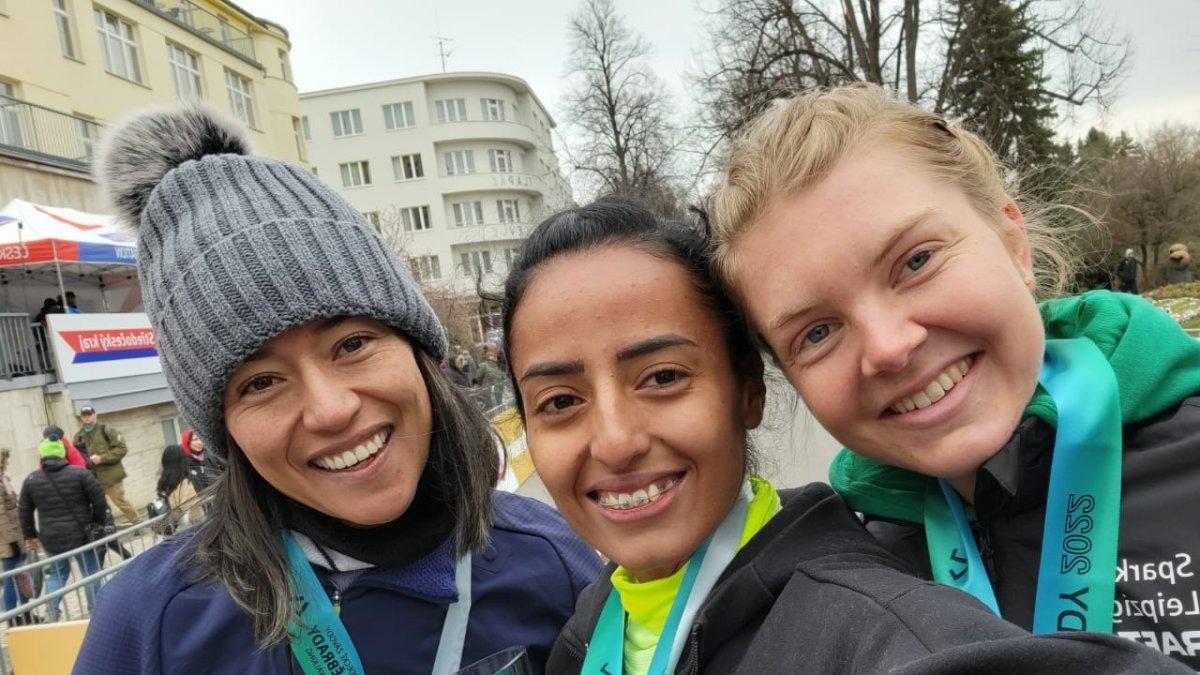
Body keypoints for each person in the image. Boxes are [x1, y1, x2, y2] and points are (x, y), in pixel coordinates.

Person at [501, 198, 1187, 674]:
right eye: (560, 400)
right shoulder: (592, 622)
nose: (615, 440)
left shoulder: (874, 624)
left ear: (748, 389)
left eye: (662, 377)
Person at [74, 101, 600, 674]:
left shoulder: (550, 560)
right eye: (262, 382)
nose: (330, 410)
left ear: (418, 352)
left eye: (352, 344)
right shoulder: (156, 622)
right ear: (222, 427)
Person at [709, 83, 1200, 666]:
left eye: (916, 262)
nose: (889, 348)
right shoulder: (847, 570)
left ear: (1012, 239)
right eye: (816, 333)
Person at [18, 434, 106, 621]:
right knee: (90, 571)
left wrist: (30, 535)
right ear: (63, 454)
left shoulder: (31, 479)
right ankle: (96, 611)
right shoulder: (81, 473)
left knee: (57, 573)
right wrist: (98, 522)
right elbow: (99, 500)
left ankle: (52, 612)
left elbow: (24, 510)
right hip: (82, 534)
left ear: (42, 457)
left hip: (51, 538)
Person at [73, 406, 140, 525]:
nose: (87, 417)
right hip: (92, 477)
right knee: (98, 505)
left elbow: (122, 449)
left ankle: (138, 523)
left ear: (95, 415)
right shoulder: (78, 436)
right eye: (84, 415)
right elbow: (76, 455)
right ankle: (105, 528)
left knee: (120, 502)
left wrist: (102, 458)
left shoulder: (106, 430)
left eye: (89, 414)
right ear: (81, 418)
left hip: (110, 476)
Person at [0, 449, 26, 617]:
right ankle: (11, 616)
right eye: (3, 461)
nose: (5, 464)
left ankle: (26, 611)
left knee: (23, 574)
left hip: (16, 534)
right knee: (10, 578)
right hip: (8, 540)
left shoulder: (4, 479)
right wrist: (12, 541)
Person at [156, 445, 203, 530]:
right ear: (182, 460)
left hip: (173, 529)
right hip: (190, 530)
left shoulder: (164, 481)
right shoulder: (185, 482)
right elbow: (192, 510)